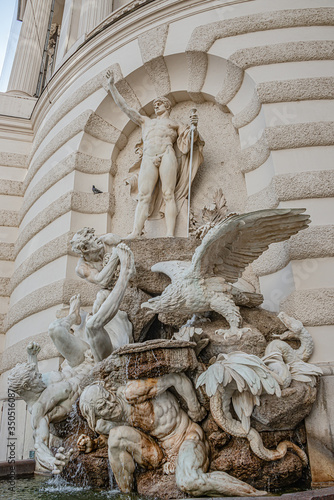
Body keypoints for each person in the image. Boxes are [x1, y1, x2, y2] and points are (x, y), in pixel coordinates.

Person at [77, 375, 266, 497]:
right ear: (96, 415)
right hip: (159, 452)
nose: (110, 405)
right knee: (116, 436)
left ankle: (255, 495)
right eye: (102, 407)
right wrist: (93, 444)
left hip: (185, 436)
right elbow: (109, 441)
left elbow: (177, 379)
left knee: (189, 482)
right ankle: (127, 495)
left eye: (108, 398)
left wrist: (195, 410)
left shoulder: (132, 392)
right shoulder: (105, 424)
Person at [106, 70, 204, 238]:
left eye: (159, 103)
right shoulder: (146, 121)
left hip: (167, 154)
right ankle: (136, 232)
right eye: (155, 104)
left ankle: (170, 234)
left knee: (168, 194)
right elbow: (126, 109)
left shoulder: (175, 123)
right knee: (144, 195)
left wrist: (194, 127)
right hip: (149, 157)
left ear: (167, 106)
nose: (156, 105)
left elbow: (188, 140)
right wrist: (112, 87)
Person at [8, 340, 93, 472]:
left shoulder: (40, 383)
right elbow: (40, 444)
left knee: (56, 329)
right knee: (94, 328)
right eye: (36, 376)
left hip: (82, 362)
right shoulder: (39, 409)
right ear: (27, 386)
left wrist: (32, 356)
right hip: (94, 375)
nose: (39, 376)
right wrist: (53, 462)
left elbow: (33, 374)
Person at [49, 243, 135, 364]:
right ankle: (125, 274)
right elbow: (101, 279)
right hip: (105, 360)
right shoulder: (83, 266)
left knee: (54, 329)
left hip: (82, 361)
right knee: (92, 326)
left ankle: (73, 316)